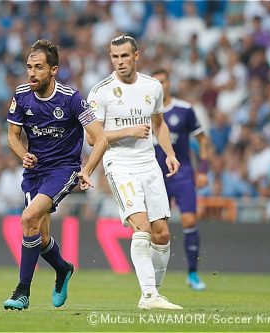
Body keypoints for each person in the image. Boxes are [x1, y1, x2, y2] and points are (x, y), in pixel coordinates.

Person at [4, 39, 108, 310]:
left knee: (28, 218)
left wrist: (86, 170)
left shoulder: (71, 98)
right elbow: (13, 137)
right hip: (34, 173)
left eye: (38, 67)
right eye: (29, 67)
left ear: (53, 70)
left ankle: (21, 292)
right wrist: (22, 153)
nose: (32, 73)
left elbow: (101, 138)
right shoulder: (21, 95)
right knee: (39, 237)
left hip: (63, 170)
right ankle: (63, 269)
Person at [87, 34, 182, 310]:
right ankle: (149, 296)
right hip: (120, 165)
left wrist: (170, 154)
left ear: (136, 56)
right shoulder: (101, 91)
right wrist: (129, 130)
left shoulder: (153, 87)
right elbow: (93, 139)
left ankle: (154, 294)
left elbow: (159, 124)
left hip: (149, 163)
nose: (119, 62)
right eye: (114, 57)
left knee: (161, 233)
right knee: (141, 228)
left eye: (124, 56)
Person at [152, 68, 210, 291]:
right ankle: (153, 281)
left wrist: (203, 170)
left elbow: (203, 140)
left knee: (189, 221)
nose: (160, 86)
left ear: (169, 84)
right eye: (156, 82)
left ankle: (193, 274)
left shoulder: (184, 110)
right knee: (157, 228)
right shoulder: (144, 111)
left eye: (163, 82)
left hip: (183, 174)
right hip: (155, 176)